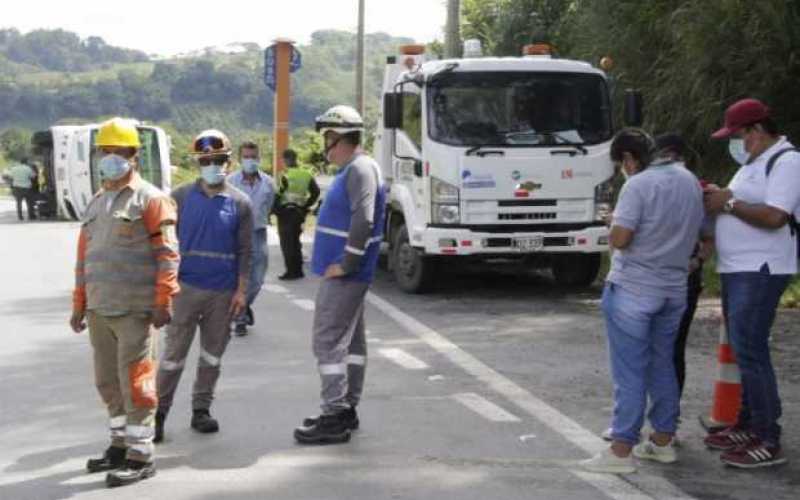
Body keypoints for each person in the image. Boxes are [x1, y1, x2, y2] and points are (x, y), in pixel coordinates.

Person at [581, 128, 703, 474]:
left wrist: (613, 222)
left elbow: (621, 238)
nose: (624, 168)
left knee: (629, 371)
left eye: (622, 163)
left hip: (634, 289)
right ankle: (663, 441)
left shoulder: (638, 184)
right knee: (662, 363)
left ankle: (621, 450)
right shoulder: (687, 179)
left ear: (630, 159)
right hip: (674, 288)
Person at [69, 117, 180, 487]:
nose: (110, 158)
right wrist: (79, 302)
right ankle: (118, 445)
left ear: (134, 155)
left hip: (135, 309)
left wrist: (164, 299)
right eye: (105, 151)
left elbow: (167, 254)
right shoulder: (97, 201)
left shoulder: (152, 199)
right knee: (107, 382)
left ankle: (140, 454)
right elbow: (86, 257)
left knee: (136, 383)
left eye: (118, 152)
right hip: (100, 309)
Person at [703, 98, 800, 468]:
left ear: (757, 131)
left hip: (761, 268)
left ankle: (766, 436)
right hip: (737, 267)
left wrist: (727, 205)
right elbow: (739, 200)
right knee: (743, 349)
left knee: (751, 349)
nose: (736, 144)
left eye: (738, 136)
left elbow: (776, 216)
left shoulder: (787, 162)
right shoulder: (754, 163)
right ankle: (746, 422)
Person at [293, 105, 386, 445]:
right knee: (352, 343)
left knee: (328, 341)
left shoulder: (359, 169)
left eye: (327, 139)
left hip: (346, 275)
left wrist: (347, 262)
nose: (325, 146)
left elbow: (364, 219)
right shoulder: (358, 168)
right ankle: (346, 407)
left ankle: (334, 414)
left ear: (339, 137)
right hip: (349, 274)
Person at [155, 130, 253, 443]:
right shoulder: (180, 197)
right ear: (198, 163)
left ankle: (201, 410)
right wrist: (163, 288)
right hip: (184, 291)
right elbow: (165, 246)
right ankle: (157, 414)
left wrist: (241, 291)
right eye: (207, 160)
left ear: (229, 161)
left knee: (212, 356)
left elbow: (245, 252)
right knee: (173, 356)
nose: (214, 165)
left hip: (222, 294)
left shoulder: (241, 203)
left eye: (220, 160)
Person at [227, 141, 276, 336]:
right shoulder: (230, 181)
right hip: (236, 233)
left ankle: (244, 306)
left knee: (257, 279)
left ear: (259, 158)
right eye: (246, 157)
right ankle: (240, 319)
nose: (250, 161)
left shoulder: (269, 183)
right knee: (239, 277)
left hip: (258, 233)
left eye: (253, 157)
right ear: (240, 159)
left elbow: (269, 205)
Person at [275, 148, 320, 280]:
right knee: (295, 241)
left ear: (286, 159)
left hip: (285, 213)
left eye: (283, 159)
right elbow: (316, 192)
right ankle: (298, 270)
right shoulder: (306, 174)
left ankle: (290, 272)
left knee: (287, 244)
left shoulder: (285, 175)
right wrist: (306, 206)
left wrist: (274, 211)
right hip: (299, 213)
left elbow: (277, 195)